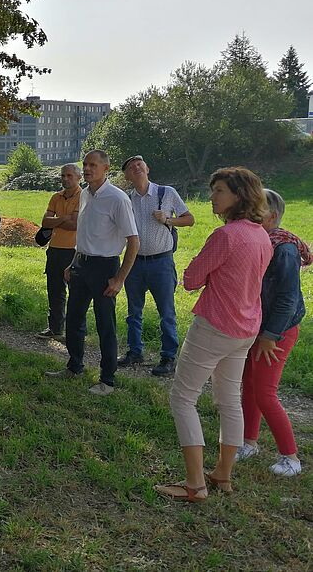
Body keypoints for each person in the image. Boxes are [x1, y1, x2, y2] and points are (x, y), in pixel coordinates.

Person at [155, 167, 272, 502]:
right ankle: (222, 473)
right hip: (246, 329)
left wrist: (198, 268)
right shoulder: (260, 234)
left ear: (238, 195)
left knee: (183, 398)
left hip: (216, 326)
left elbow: (191, 279)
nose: (212, 196)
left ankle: (195, 484)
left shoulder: (227, 236)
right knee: (229, 400)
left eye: (219, 190)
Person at [45, 150, 139, 396]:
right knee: (74, 320)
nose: (87, 169)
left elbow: (133, 241)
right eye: (85, 164)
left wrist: (119, 278)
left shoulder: (117, 199)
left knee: (105, 324)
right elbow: (85, 233)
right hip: (80, 264)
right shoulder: (85, 194)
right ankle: (74, 366)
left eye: (93, 165)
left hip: (105, 266)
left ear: (106, 168)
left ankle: (107, 380)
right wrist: (73, 262)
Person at [236, 189, 308, 478]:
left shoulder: (285, 249)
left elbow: (288, 298)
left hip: (276, 331)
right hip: (255, 325)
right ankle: (248, 443)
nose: (248, 214)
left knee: (265, 392)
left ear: (272, 216)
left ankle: (290, 457)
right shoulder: (259, 240)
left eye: (256, 209)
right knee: (249, 386)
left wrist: (271, 335)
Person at [117, 155, 194, 376]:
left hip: (161, 261)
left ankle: (169, 357)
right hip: (134, 262)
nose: (137, 167)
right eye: (132, 167)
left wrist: (168, 219)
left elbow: (189, 219)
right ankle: (135, 352)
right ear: (127, 176)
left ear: (147, 168)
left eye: (140, 164)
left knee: (166, 312)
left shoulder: (166, 193)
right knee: (133, 312)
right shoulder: (127, 199)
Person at [37, 163, 82, 339]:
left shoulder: (82, 197)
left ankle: (74, 332)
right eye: (63, 175)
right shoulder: (56, 197)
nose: (65, 179)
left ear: (79, 178)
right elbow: (44, 222)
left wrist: (55, 220)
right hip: (54, 249)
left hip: (74, 250)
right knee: (55, 292)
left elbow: (75, 225)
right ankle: (55, 328)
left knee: (75, 293)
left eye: (69, 176)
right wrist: (63, 218)